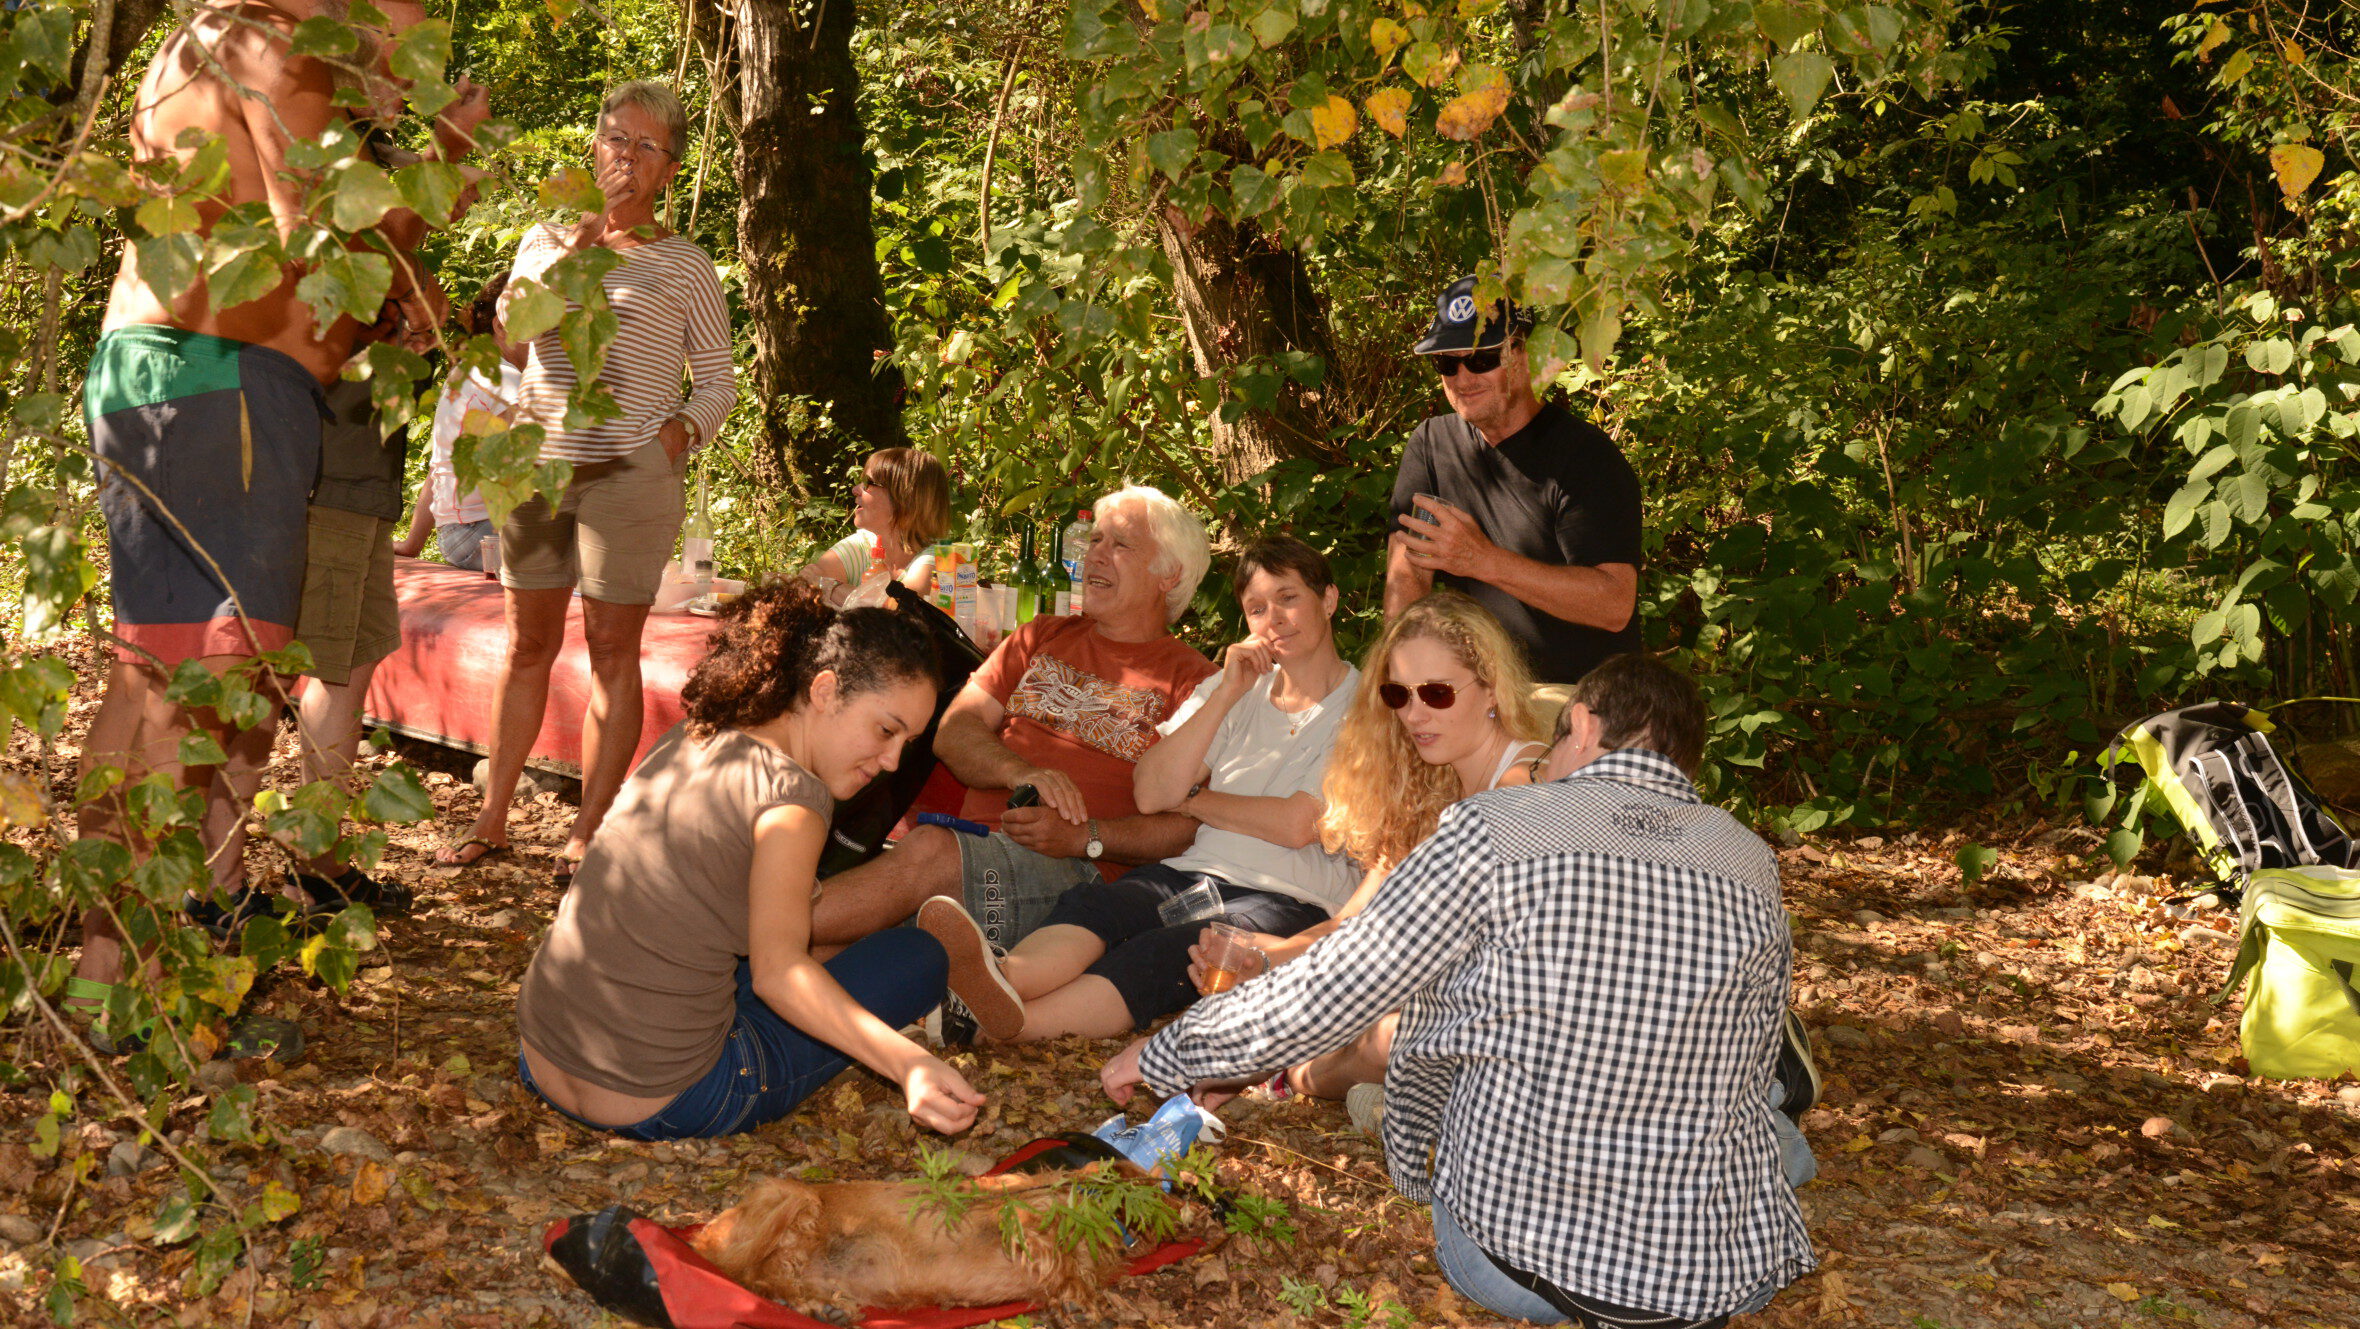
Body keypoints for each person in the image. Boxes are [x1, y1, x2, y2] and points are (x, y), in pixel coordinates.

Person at [1103, 654, 1818, 1328]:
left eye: (1556, 741)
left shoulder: (1497, 826)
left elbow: (1341, 979)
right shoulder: (1748, 858)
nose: (1547, 763)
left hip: (1515, 1264)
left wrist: (1171, 1051)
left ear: (1587, 726)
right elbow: (1751, 1071)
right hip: (1712, 1275)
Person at [68, 0, 487, 1048]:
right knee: (207, 694)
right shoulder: (283, 46)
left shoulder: (199, 37)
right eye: (410, 15)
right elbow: (319, 248)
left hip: (151, 373)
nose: (417, 33)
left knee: (149, 678)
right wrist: (439, 166)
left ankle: (98, 974)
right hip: (225, 389)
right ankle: (158, 997)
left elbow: (338, 280)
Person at [514, 580, 982, 1140]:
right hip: (667, 1099)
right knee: (918, 954)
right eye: (886, 730)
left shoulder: (701, 732)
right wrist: (909, 1066)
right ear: (826, 690)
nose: (890, 761)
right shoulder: (795, 801)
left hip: (541, 1057)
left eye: (907, 743)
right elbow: (779, 975)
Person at [436, 80, 739, 881]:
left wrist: (680, 432)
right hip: (536, 467)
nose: (626, 158)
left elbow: (718, 380)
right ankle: (491, 820)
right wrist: (574, 253)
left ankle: (589, 831)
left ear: (670, 169)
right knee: (527, 642)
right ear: (593, 148)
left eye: (646, 147)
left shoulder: (685, 264)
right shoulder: (543, 239)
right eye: (615, 140)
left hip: (630, 472)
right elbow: (511, 344)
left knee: (612, 649)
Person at [913, 536, 1361, 1044]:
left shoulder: (1366, 707)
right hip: (1192, 873)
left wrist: (1194, 799)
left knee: (1169, 950)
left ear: (1328, 599)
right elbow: (1150, 791)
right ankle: (1000, 978)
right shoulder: (1235, 687)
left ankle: (999, 1026)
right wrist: (1227, 695)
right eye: (1256, 608)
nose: (1273, 618)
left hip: (1287, 894)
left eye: (1288, 598)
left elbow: (1295, 825)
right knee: (1099, 907)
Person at [808, 486, 1218, 992]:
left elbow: (1189, 826)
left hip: (1077, 874)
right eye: (1094, 540)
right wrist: (1019, 771)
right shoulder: (1042, 635)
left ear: (1170, 575)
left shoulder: (1197, 683)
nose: (1095, 554)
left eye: (1121, 545)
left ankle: (744, 927)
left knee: (929, 856)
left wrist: (1085, 837)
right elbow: (953, 731)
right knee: (835, 946)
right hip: (975, 849)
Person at [1197, 589, 1547, 1102]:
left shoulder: (1525, 784)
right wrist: (1266, 961)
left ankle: (1285, 1070)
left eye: (1438, 693)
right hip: (1447, 999)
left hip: (1525, 1018)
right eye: (1397, 695)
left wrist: (1278, 994)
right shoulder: (1428, 785)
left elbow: (1408, 952)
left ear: (1491, 688)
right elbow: (1355, 923)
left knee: (1386, 1038)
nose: (1414, 714)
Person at [1385, 275, 1642, 727]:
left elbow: (1614, 605)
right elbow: (1407, 579)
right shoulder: (1432, 444)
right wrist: (1405, 680)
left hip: (1583, 698)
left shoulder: (1585, 457)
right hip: (1477, 693)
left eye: (1482, 359)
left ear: (1525, 356)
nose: (1463, 378)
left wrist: (1482, 560)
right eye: (1447, 363)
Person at [395, 273, 521, 571]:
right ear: (501, 326)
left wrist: (413, 542)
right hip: (485, 534)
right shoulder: (505, 378)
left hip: (456, 537)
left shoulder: (466, 372)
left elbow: (440, 466)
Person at [798, 447, 949, 607]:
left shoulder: (939, 559)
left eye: (869, 483)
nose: (855, 490)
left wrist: (831, 588)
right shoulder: (863, 544)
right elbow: (804, 585)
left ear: (904, 498)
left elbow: (899, 610)